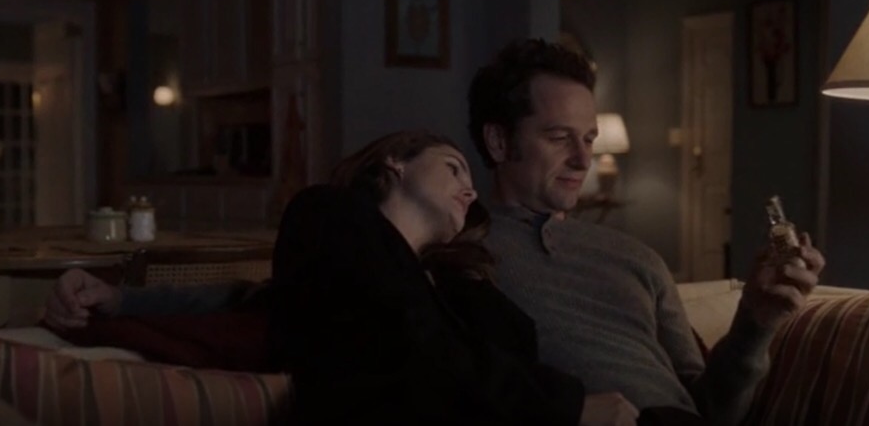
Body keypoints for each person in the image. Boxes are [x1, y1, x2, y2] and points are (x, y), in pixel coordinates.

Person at [45, 131, 639, 426]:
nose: (469, 189)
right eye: (454, 168)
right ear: (395, 163)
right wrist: (122, 299)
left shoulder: (458, 286)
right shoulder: (329, 215)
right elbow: (259, 305)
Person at [466, 38, 825, 425]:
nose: (583, 159)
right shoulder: (458, 253)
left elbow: (713, 410)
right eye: (559, 138)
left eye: (588, 139)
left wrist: (755, 321)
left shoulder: (636, 257)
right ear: (498, 141)